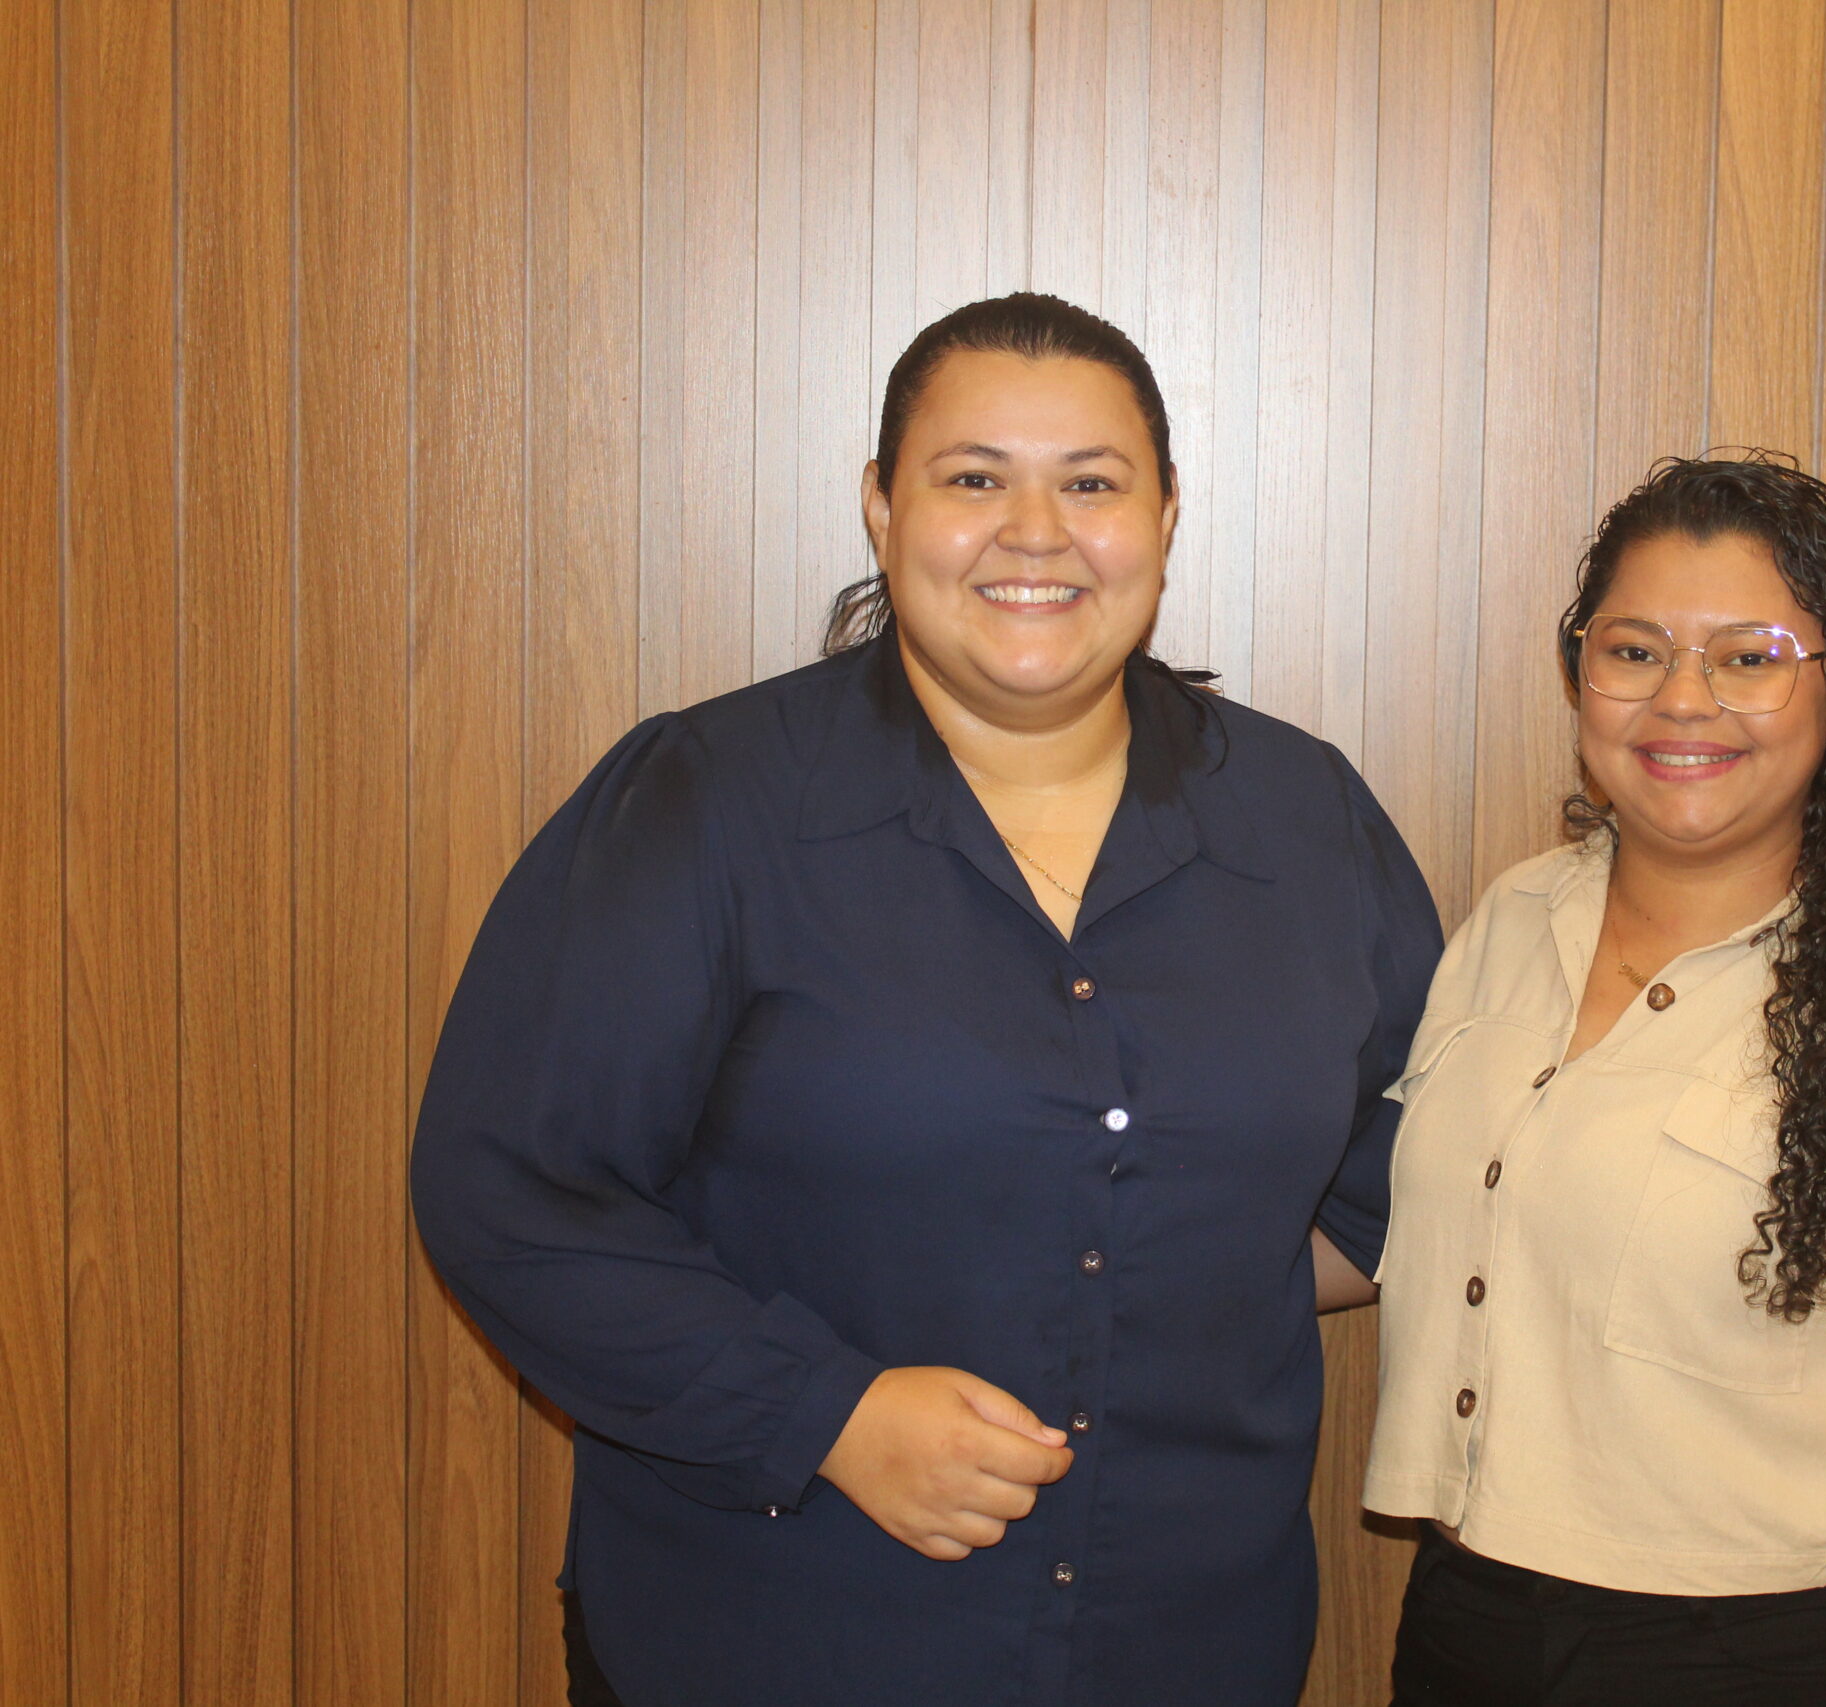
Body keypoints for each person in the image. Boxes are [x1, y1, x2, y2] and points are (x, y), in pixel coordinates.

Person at [411, 292, 1441, 1707]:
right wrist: (822, 1411)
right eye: (973, 479)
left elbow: (1419, 1154)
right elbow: (510, 1188)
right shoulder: (710, 802)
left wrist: (1171, 1262)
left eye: (1092, 483)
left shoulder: (1302, 816)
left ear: (1165, 515)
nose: (1036, 530)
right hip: (780, 1634)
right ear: (883, 509)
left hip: (1184, 1638)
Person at [1363, 454, 1826, 1707]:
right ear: (1578, 671)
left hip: (1783, 1656)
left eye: (1749, 656)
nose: (1683, 699)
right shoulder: (1510, 921)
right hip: (1468, 1626)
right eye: (1634, 651)